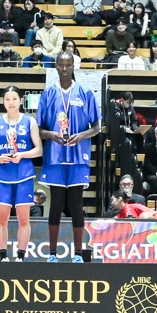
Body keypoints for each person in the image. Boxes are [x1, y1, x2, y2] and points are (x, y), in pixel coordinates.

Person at [35, 53, 99, 260]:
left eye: (68, 65)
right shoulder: (48, 94)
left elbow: (97, 127)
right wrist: (50, 134)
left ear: (73, 67)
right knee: (55, 204)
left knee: (76, 205)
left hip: (78, 157)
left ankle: (78, 254)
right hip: (55, 156)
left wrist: (81, 136)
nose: (64, 69)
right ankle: (52, 254)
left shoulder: (85, 93)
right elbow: (38, 129)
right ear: (55, 67)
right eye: (61, 65)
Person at [0, 85, 38, 259]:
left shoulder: (30, 122)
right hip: (2, 175)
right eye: (7, 99)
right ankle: (3, 256)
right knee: (2, 219)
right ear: (3, 102)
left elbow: (39, 150)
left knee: (24, 219)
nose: (11, 102)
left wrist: (22, 154)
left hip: (24, 174)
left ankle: (21, 256)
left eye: (14, 99)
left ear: (21, 101)